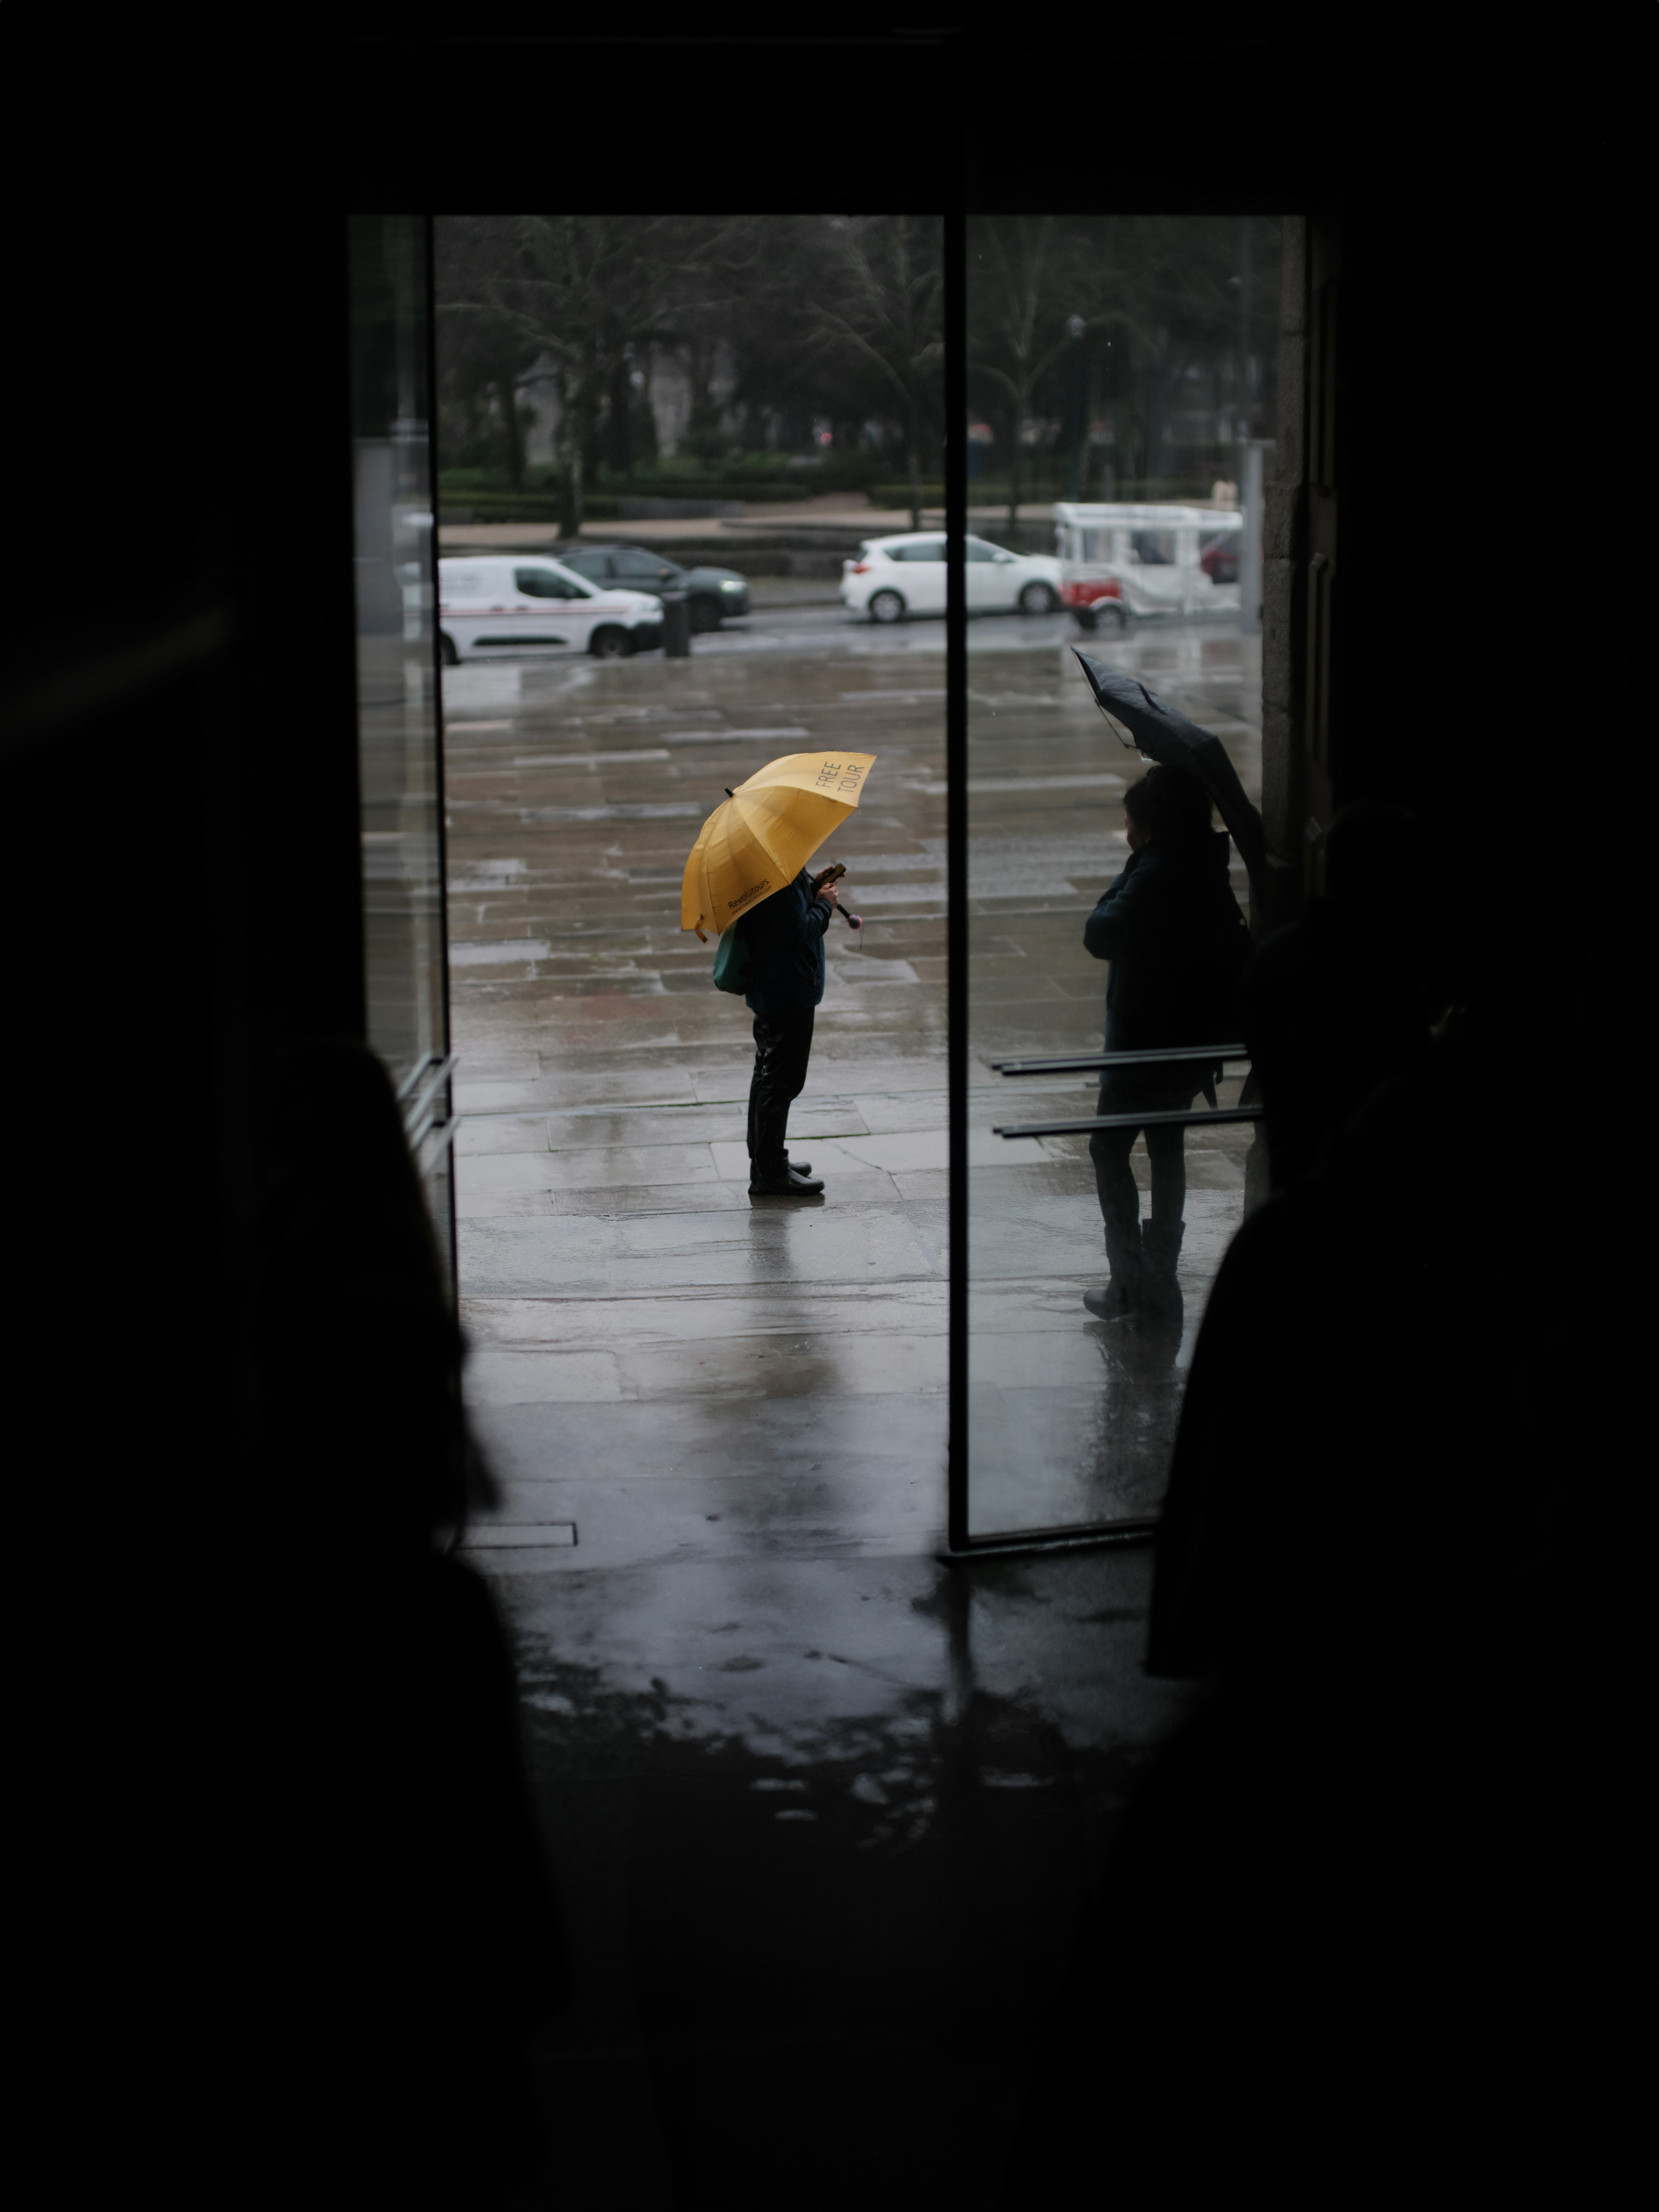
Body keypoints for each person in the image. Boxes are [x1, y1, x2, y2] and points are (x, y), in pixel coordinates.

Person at [1081, 763, 1248, 1324]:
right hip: (1188, 1043)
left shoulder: (1156, 872)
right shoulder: (1207, 867)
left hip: (1144, 1045)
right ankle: (1162, 1280)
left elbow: (1099, 933)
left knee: (1108, 1150)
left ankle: (1130, 1280)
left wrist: (1133, 868)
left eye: (1131, 823)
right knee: (1166, 1151)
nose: (1127, 832)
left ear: (1149, 826)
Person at [738, 864, 839, 1197]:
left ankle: (766, 1161)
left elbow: (782, 918)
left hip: (774, 986)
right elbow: (797, 930)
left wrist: (810, 892)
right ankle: (770, 1173)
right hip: (788, 989)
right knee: (781, 1081)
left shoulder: (768, 866)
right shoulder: (777, 871)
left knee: (768, 1074)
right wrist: (824, 904)